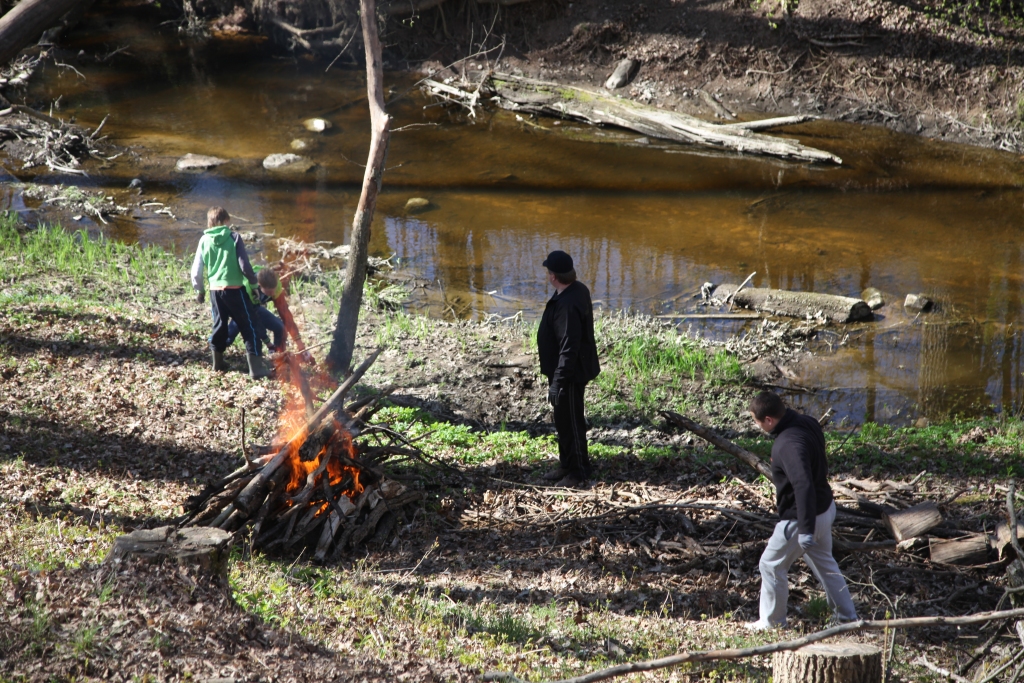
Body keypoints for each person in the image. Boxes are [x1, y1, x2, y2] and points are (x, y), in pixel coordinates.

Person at [745, 391, 858, 630]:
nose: (756, 426)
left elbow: (803, 484)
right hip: (825, 507)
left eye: (756, 421)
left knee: (771, 564)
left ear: (768, 420)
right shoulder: (807, 421)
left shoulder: (786, 444)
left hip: (802, 518)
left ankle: (772, 622)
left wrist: (806, 530)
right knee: (826, 564)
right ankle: (847, 619)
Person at [536, 250, 600, 488]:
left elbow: (569, 347)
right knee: (562, 419)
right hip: (564, 372)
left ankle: (578, 471)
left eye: (548, 272)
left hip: (570, 374)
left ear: (553, 276)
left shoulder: (567, 304)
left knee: (572, 421)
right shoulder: (575, 289)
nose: (548, 275)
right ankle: (566, 464)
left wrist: (558, 381)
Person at [190, 206, 270, 380]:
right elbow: (245, 266)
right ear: (226, 220)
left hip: (215, 292)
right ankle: (256, 369)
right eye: (229, 220)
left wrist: (200, 291)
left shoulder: (204, 240)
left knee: (219, 325)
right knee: (249, 326)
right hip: (235, 291)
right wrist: (254, 285)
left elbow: (196, 270)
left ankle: (217, 364)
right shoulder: (234, 237)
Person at [227, 267, 313, 362]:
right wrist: (268, 343)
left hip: (255, 307)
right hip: (238, 307)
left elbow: (285, 314)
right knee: (230, 336)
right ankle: (215, 350)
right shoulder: (248, 288)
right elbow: (253, 320)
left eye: (274, 291)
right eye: (269, 292)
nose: (272, 294)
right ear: (259, 286)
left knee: (280, 327)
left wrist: (300, 345)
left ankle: (279, 357)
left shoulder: (276, 286)